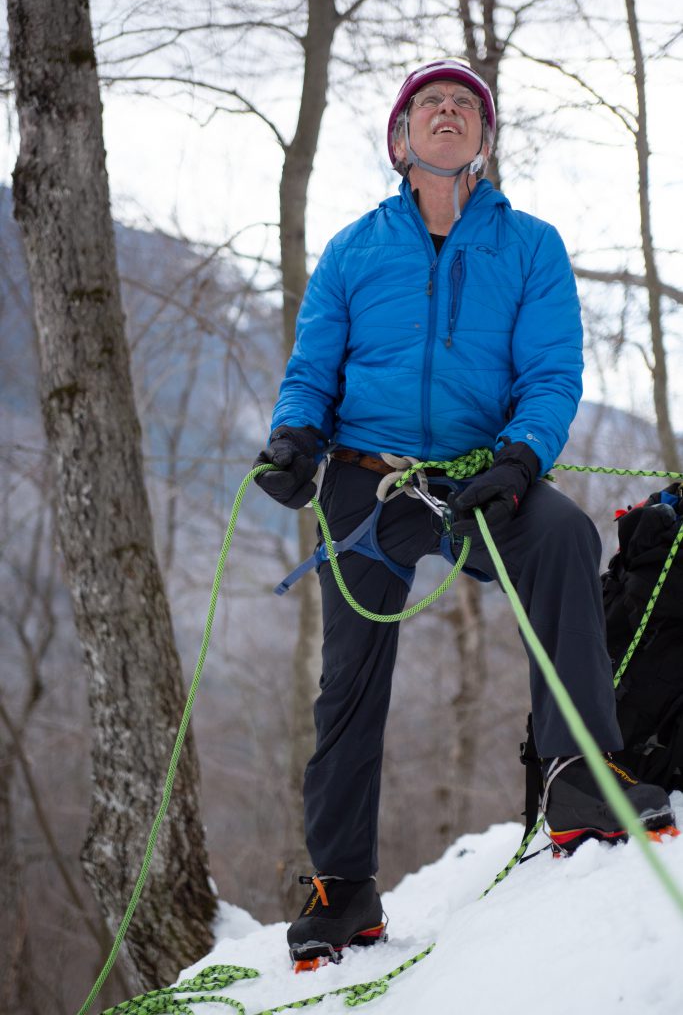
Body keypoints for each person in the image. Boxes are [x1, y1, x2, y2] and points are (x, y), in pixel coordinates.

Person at [254, 58, 675, 965]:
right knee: (348, 680)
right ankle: (342, 890)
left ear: (482, 141)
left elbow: (552, 372)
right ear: (400, 141)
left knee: (561, 537)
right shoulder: (351, 251)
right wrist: (293, 440)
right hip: (367, 481)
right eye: (428, 105)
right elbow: (311, 369)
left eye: (464, 106)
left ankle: (579, 780)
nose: (447, 113)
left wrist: (522, 457)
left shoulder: (529, 246)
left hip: (482, 474)